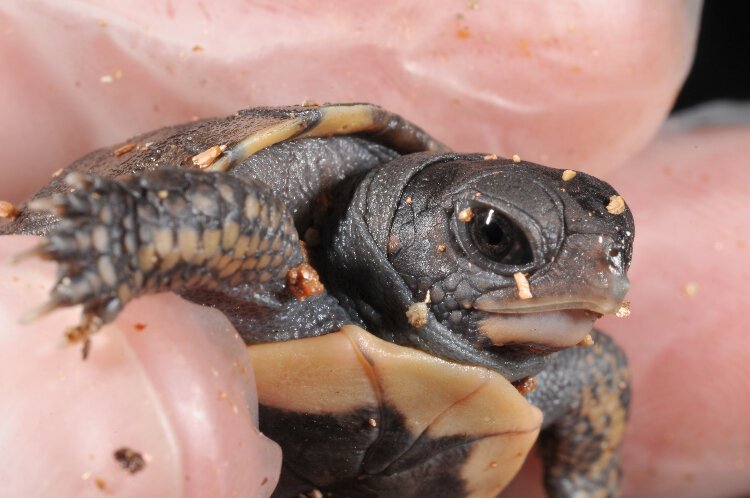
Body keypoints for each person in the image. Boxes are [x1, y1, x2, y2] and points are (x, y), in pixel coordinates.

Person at [1, 1, 748, 496]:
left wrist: (587, 480)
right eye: (494, 238)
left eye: (611, 258)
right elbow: (211, 206)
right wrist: (97, 243)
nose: (597, 288)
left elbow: (597, 379)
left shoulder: (563, 372)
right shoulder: (271, 237)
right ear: (410, 219)